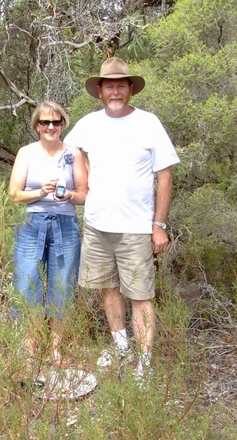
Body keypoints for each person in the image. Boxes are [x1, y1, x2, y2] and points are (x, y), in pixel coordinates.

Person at [64, 57, 180, 379]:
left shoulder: (149, 123)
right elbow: (67, 152)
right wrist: (80, 180)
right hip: (97, 224)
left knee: (140, 296)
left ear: (130, 89)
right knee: (108, 289)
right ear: (99, 91)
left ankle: (144, 364)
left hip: (135, 229)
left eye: (120, 86)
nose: (114, 92)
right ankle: (120, 347)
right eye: (108, 87)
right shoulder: (88, 124)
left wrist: (158, 226)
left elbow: (165, 177)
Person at [9, 101, 88, 365]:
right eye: (45, 122)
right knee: (27, 283)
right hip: (31, 226)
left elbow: (84, 196)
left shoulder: (74, 154)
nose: (51, 127)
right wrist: (39, 193)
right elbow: (14, 194)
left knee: (62, 285)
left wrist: (68, 195)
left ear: (63, 124)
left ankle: (56, 349)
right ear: (36, 126)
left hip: (64, 226)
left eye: (56, 122)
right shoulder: (26, 153)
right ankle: (30, 347)